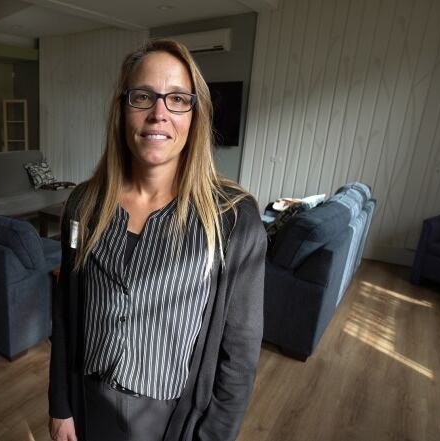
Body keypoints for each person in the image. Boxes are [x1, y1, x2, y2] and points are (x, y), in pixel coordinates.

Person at [48, 39, 267, 441]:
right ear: (122, 110)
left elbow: (239, 358)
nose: (159, 114)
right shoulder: (84, 204)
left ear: (195, 115)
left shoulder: (233, 220)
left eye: (178, 99)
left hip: (169, 419)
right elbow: (65, 312)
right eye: (143, 97)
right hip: (89, 404)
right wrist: (60, 406)